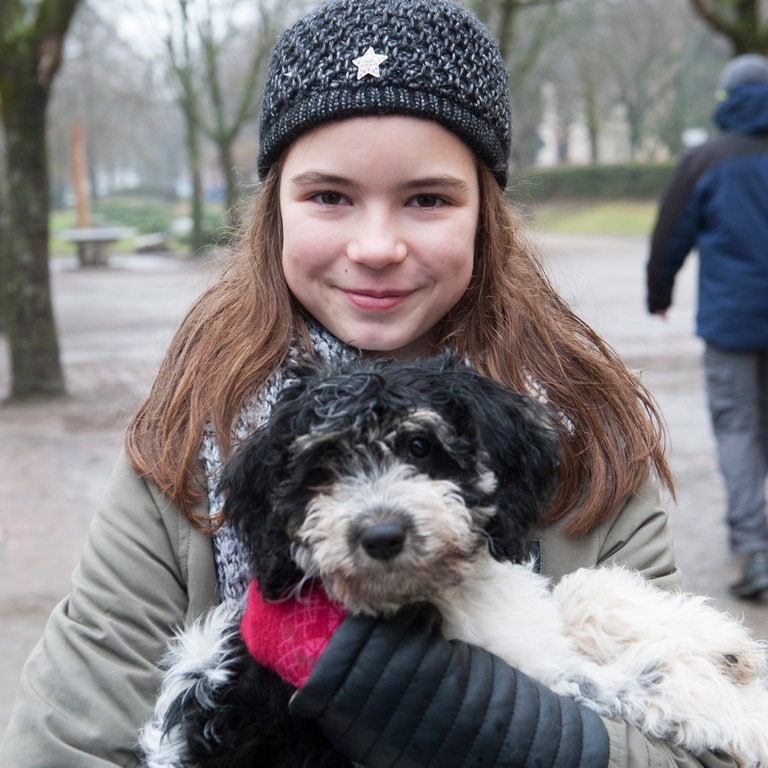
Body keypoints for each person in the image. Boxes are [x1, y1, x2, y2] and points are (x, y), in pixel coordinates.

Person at [0, 1, 737, 765]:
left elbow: (708, 742)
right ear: (274, 212)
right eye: (329, 196)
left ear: (486, 213)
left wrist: (463, 709)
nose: (376, 245)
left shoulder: (588, 438)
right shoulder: (185, 445)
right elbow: (64, 744)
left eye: (427, 198)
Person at [647, 53, 768, 600]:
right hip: (735, 322)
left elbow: (671, 232)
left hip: (732, 324)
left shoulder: (706, 159)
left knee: (739, 428)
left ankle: (753, 552)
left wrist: (659, 291)